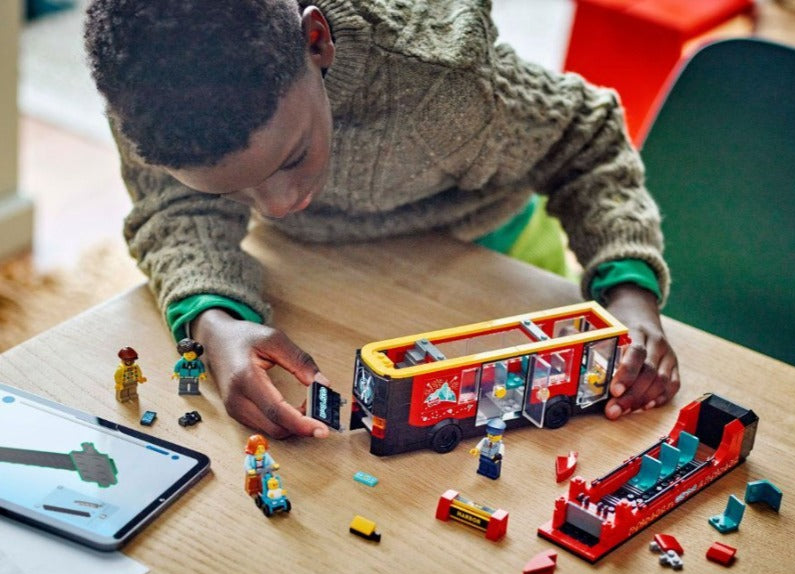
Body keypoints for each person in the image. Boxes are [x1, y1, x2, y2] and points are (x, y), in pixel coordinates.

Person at [83, 0, 680, 440]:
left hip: (492, 250)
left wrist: (627, 292)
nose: (277, 205)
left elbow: (586, 140)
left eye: (292, 158)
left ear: (317, 42)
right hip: (320, 272)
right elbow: (175, 204)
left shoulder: (439, 81)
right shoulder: (150, 98)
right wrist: (213, 320)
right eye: (236, 191)